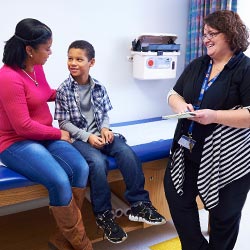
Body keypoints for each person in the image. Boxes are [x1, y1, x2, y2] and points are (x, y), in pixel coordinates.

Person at [54, 39, 166, 244]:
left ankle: (139, 204)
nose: (73, 63)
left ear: (91, 63)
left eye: (79, 59)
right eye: (70, 58)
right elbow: (63, 123)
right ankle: (104, 215)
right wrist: (87, 136)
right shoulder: (63, 90)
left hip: (101, 133)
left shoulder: (99, 88)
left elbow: (104, 115)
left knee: (126, 152)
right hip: (80, 139)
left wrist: (105, 128)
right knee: (97, 163)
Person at [0, 19, 93, 250]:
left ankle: (61, 240)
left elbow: (43, 93)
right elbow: (22, 126)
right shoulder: (8, 78)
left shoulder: (36, 67)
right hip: (15, 142)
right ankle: (83, 246)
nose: (51, 52)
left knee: (80, 168)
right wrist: (57, 133)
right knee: (59, 179)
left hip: (42, 136)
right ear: (29, 50)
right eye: (47, 48)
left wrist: (76, 92)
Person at [164, 10, 250, 250]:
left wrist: (214, 116)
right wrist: (181, 106)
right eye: (204, 34)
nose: (206, 39)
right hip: (187, 150)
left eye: (212, 34)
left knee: (225, 218)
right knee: (177, 196)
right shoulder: (199, 64)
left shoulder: (244, 68)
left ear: (231, 34)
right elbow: (173, 94)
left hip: (228, 160)